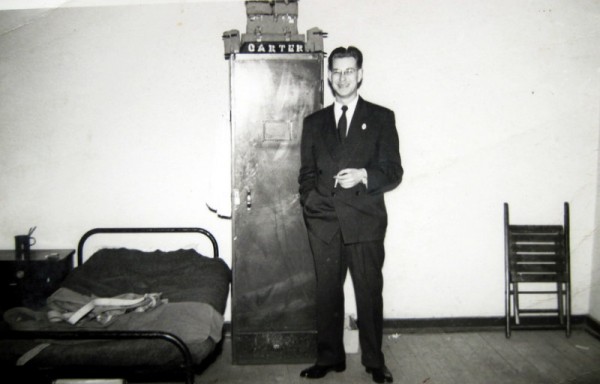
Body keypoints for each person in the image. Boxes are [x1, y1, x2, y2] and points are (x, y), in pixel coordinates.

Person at [298, 46, 403, 383]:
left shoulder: (382, 117)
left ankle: (374, 361)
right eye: (337, 72)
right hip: (324, 222)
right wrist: (311, 205)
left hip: (365, 220)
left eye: (349, 71)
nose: (342, 78)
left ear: (360, 74)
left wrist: (364, 175)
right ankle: (329, 358)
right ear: (329, 76)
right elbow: (306, 175)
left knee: (369, 293)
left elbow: (394, 171)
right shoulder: (314, 123)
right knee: (327, 293)